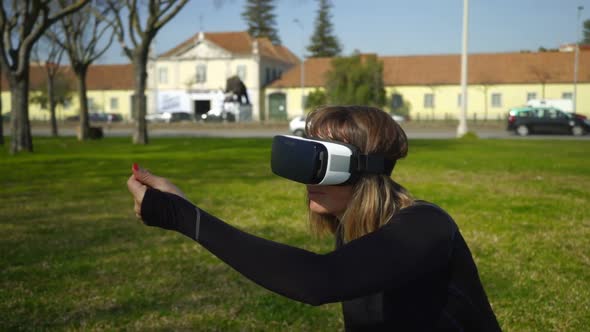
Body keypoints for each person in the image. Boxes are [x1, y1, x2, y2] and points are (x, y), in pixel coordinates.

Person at [127, 105, 501, 331]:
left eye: (319, 163)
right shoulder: (351, 228)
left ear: (361, 169)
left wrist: (181, 215)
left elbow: (318, 281)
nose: (306, 179)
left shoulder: (426, 227)